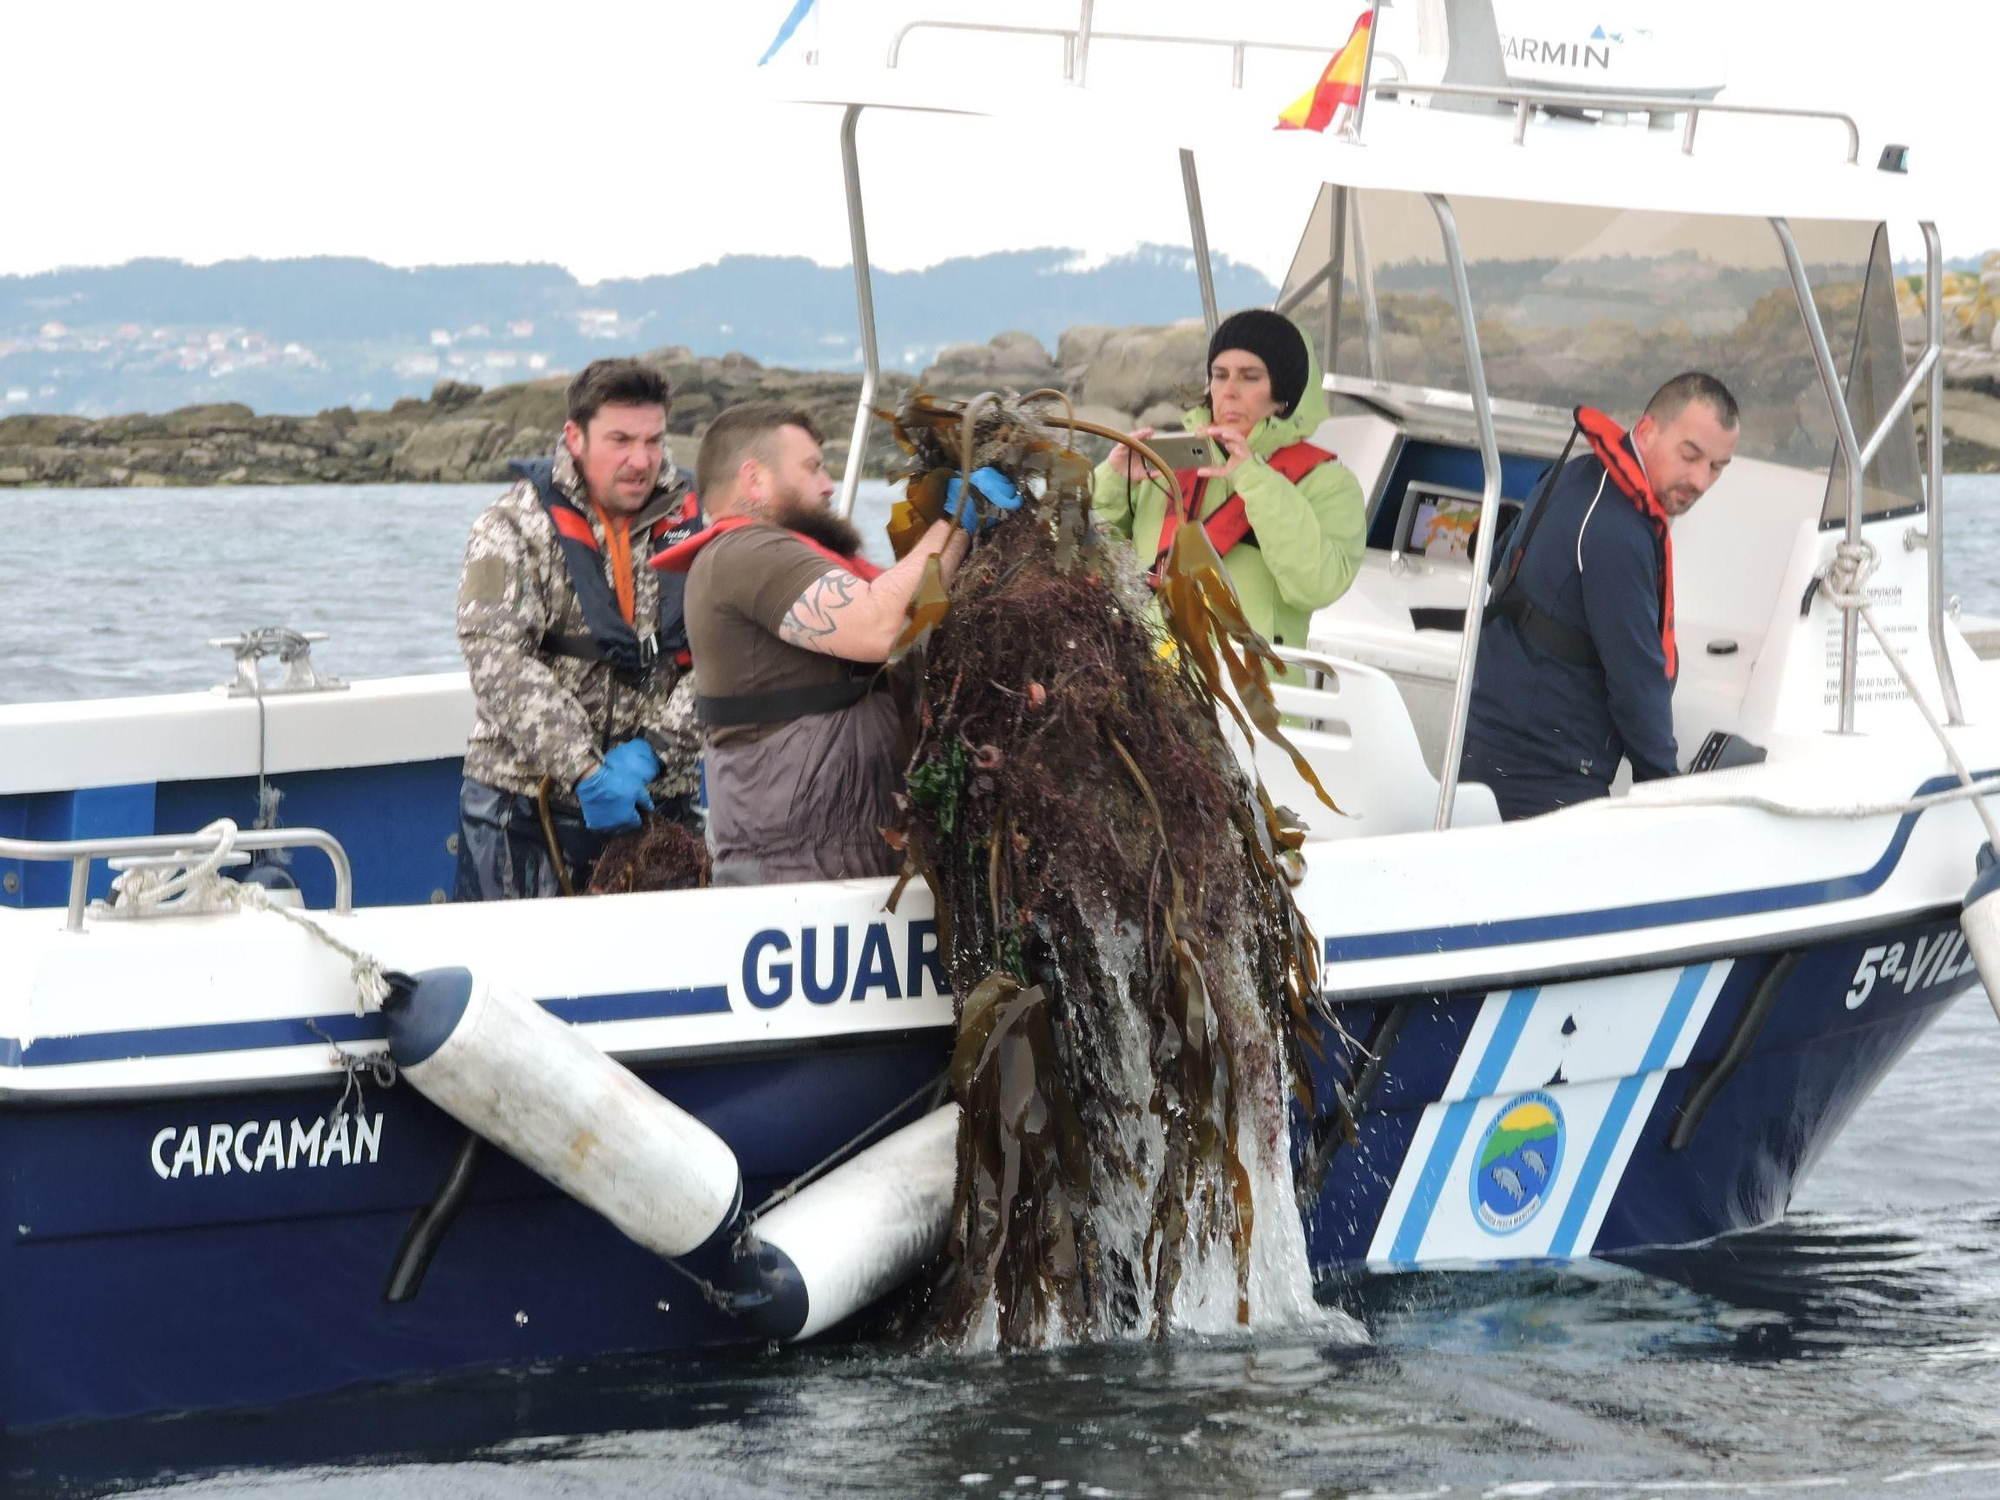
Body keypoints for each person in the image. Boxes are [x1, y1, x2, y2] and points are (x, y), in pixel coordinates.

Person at [656, 402, 973, 886]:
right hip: (795, 876)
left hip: (855, 858)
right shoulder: (743, 552)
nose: (828, 484)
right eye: (812, 468)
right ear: (754, 479)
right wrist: (955, 523)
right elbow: (880, 625)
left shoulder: (777, 556)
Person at [453, 358, 704, 900]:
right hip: (523, 809)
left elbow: (726, 656)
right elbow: (496, 659)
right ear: (575, 436)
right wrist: (585, 770)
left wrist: (655, 751)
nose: (641, 459)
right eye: (620, 440)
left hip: (659, 806)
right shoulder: (509, 527)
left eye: (653, 440)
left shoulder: (698, 528)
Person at [1460, 371, 1742, 821]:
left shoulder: (1577, 474)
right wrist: (1664, 790)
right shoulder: (1617, 532)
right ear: (1648, 431)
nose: (1701, 481)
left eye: (1716, 467)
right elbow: (1635, 678)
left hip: (1488, 746)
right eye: (1690, 456)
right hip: (1541, 775)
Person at [1092, 308, 1367, 649]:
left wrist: (1253, 477)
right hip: (1152, 686)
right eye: (1219, 375)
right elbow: (1081, 564)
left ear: (1282, 397)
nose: (1229, 391)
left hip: (1254, 691)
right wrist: (1112, 481)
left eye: (1250, 377)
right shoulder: (1158, 466)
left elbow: (1317, 585)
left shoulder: (1328, 483)